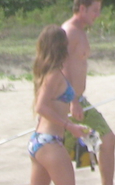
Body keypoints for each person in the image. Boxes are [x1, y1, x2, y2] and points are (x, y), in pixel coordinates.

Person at [62, 0, 115, 185]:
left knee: (108, 139)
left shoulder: (81, 32)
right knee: (59, 154)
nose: (97, 15)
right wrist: (72, 100)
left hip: (79, 101)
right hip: (67, 101)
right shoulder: (69, 32)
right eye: (95, 10)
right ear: (82, 8)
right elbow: (59, 67)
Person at [29, 24, 92, 185]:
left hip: (39, 140)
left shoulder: (48, 72)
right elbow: (41, 107)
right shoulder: (54, 75)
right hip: (50, 142)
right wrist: (69, 126)